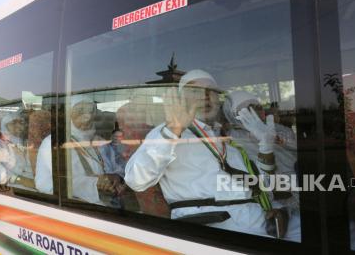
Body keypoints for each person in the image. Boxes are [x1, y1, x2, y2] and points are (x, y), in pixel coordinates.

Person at [125, 69, 301, 241]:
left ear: (218, 101)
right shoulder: (166, 133)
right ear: (181, 99)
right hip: (212, 225)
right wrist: (173, 131)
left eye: (212, 92)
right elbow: (136, 180)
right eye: (196, 91)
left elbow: (263, 186)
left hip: (257, 218)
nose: (205, 96)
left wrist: (266, 148)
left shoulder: (226, 139)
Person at [65, 95, 125, 206]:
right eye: (80, 111)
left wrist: (116, 177)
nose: (87, 117)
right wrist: (95, 184)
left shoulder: (100, 142)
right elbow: (56, 183)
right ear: (68, 114)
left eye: (91, 111)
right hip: (79, 209)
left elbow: (119, 167)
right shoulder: (57, 143)